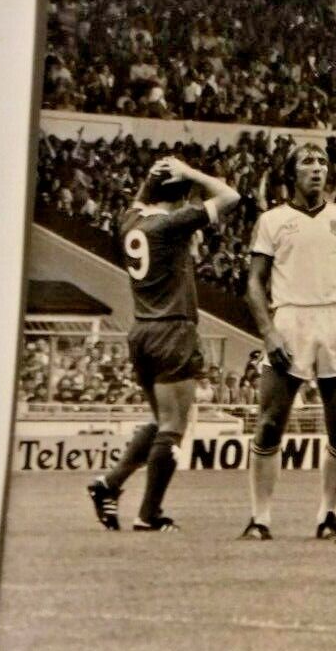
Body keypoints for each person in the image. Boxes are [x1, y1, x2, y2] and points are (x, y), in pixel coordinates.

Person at [238, 142, 336, 541]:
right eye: (307, 162)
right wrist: (268, 331)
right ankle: (260, 518)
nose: (316, 168)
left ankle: (328, 514)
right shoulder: (273, 220)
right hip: (290, 318)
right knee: (270, 423)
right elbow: (253, 282)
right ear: (291, 174)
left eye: (322, 162)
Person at [87, 156, 241, 531]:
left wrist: (153, 175)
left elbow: (142, 197)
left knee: (160, 421)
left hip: (141, 331)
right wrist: (191, 172)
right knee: (174, 425)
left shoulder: (129, 221)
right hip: (172, 330)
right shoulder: (172, 225)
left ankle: (109, 485)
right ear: (184, 197)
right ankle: (149, 514)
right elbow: (231, 196)